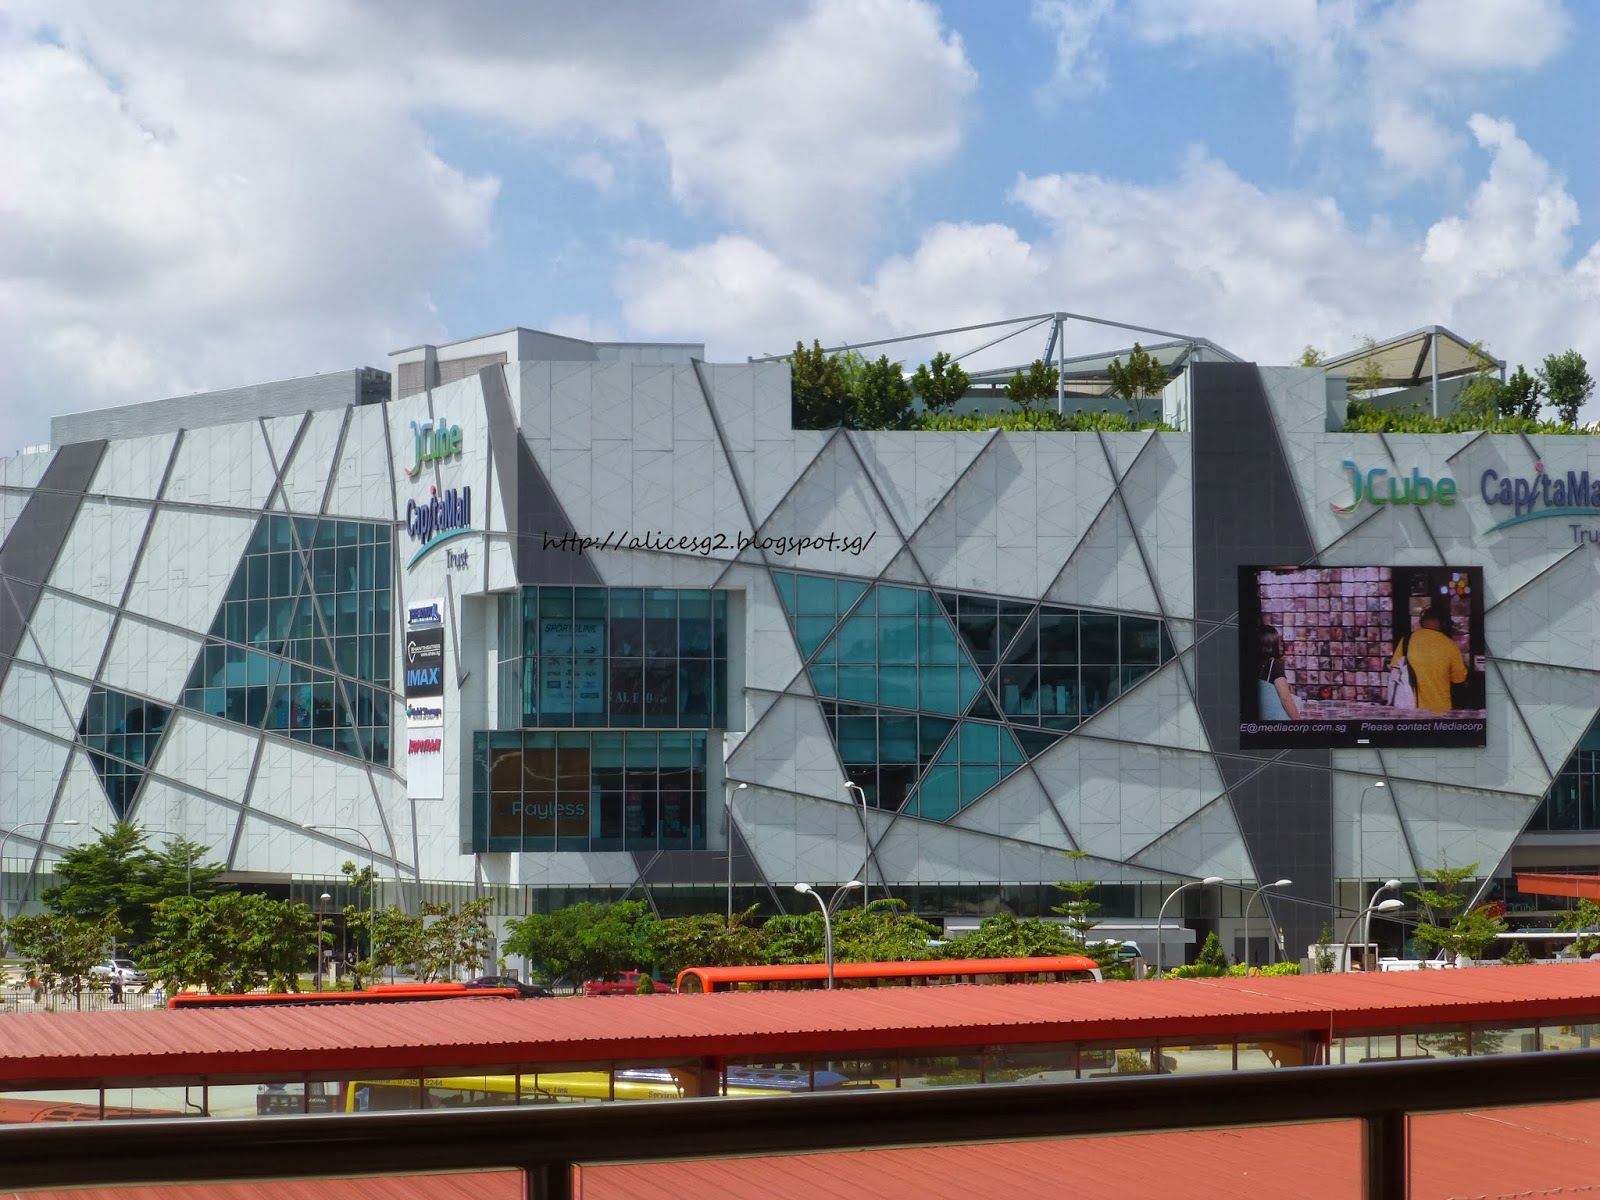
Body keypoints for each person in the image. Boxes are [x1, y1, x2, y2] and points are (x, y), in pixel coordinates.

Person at [1393, 602, 1467, 714]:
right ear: (1442, 623)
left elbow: (1394, 669)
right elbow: (1459, 679)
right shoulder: (1450, 645)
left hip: (1411, 712)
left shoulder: (1406, 641)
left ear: (1422, 622)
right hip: (1441, 713)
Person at [1256, 625, 1300, 720]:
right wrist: (1298, 722)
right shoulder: (1274, 664)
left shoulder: (1254, 662)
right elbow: (1285, 697)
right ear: (1273, 643)